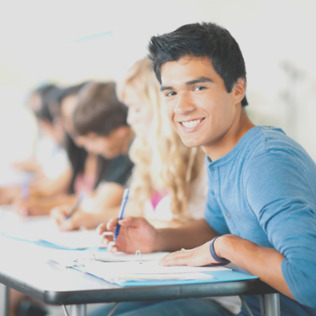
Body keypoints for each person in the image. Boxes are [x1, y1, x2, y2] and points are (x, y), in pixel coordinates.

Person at [98, 22, 316, 316]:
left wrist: (224, 246)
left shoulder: (266, 160)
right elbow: (214, 228)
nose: (182, 106)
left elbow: (309, 282)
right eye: (170, 93)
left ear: (237, 89)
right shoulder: (221, 155)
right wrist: (158, 238)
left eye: (198, 87)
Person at [51, 81, 134, 230]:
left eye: (93, 139)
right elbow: (96, 197)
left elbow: (101, 205)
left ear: (120, 131)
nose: (86, 145)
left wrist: (87, 217)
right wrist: (77, 213)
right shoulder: (120, 153)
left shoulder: (132, 154)